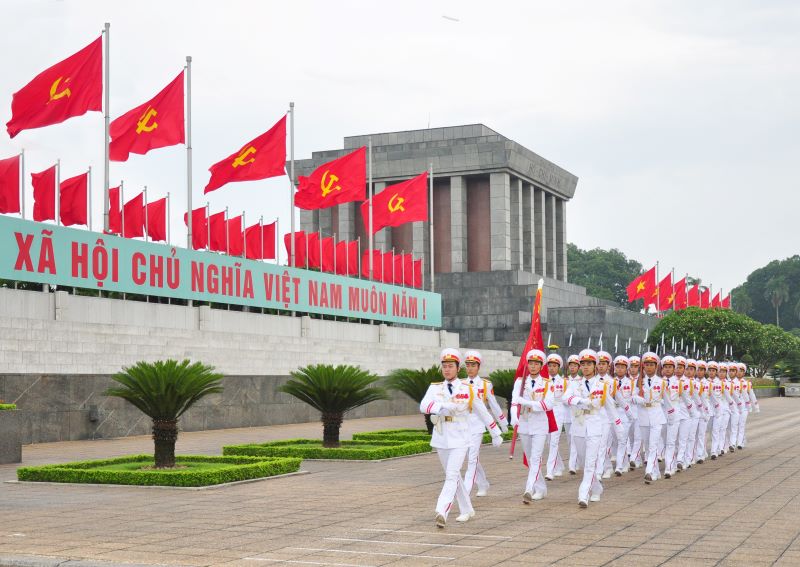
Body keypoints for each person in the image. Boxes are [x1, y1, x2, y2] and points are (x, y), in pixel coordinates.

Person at [420, 348, 503, 528]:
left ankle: (442, 510)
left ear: (458, 368)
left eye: (451, 366)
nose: (447, 369)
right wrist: (443, 406)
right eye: (444, 366)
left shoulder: (469, 389)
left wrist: (495, 432)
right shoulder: (435, 388)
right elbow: (424, 405)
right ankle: (467, 509)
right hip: (441, 436)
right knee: (454, 475)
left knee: (451, 475)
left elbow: (483, 412)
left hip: (460, 437)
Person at [564, 349, 618, 507]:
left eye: (589, 364)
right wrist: (581, 401)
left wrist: (619, 428)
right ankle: (597, 488)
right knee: (582, 461)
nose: (586, 367)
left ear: (595, 366)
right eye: (583, 364)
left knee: (590, 463)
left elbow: (611, 407)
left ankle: (583, 494)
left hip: (595, 427)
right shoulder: (575, 384)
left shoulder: (603, 385)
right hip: (579, 426)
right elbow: (566, 398)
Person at [461, 349, 508, 497]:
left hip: (479, 424)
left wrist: (503, 424)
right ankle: (483, 483)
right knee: (471, 458)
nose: (470, 368)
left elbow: (493, 405)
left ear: (478, 367)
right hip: (463, 425)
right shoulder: (460, 384)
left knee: (472, 458)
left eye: (473, 365)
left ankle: (466, 491)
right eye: (468, 365)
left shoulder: (485, 385)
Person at [511, 349, 555, 503]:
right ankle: (541, 488)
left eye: (537, 363)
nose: (533, 366)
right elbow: (514, 401)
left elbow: (548, 404)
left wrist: (528, 403)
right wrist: (513, 417)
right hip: (524, 423)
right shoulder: (520, 382)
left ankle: (529, 489)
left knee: (536, 458)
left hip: (540, 424)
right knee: (530, 459)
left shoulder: (548, 383)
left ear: (541, 365)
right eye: (531, 363)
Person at [635, 352, 667, 484]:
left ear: (656, 366)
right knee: (647, 445)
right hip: (643, 415)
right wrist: (637, 399)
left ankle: (648, 471)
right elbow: (632, 396)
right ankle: (656, 472)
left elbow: (668, 400)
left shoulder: (661, 382)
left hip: (656, 414)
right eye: (646, 365)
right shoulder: (639, 381)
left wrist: (672, 415)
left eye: (651, 365)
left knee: (653, 444)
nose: (648, 367)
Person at [613, 355, 637, 475]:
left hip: (626, 413)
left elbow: (633, 397)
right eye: (618, 367)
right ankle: (625, 462)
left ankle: (618, 466)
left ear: (626, 369)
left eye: (623, 367)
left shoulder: (631, 383)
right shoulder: (610, 382)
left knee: (623, 440)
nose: (620, 369)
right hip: (614, 413)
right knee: (616, 441)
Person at [545, 353, 566, 480]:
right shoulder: (543, 381)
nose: (552, 368)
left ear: (559, 367)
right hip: (546, 412)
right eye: (550, 366)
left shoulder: (564, 382)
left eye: (554, 366)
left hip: (558, 411)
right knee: (549, 441)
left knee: (554, 441)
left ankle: (549, 470)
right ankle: (559, 465)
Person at [661, 355, 681, 479]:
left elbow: (688, 399)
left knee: (671, 441)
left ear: (674, 369)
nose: (668, 369)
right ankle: (671, 463)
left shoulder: (679, 383)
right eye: (666, 367)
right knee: (664, 440)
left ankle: (669, 467)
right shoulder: (658, 382)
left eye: (670, 367)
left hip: (675, 413)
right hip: (662, 414)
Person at [565, 354, 583, 474]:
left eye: (574, 365)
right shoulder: (564, 381)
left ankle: (573, 464)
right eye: (570, 365)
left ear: (579, 367)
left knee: (576, 439)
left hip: (578, 413)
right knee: (570, 440)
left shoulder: (582, 381)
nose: (572, 368)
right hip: (566, 413)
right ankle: (574, 463)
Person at [710, 361, 730, 459]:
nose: (721, 373)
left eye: (723, 371)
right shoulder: (705, 382)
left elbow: (729, 398)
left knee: (718, 430)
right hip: (708, 409)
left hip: (720, 409)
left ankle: (716, 450)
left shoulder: (723, 384)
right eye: (709, 370)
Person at [627, 356, 643, 469]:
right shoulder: (625, 381)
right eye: (631, 366)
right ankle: (637, 460)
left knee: (638, 437)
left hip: (639, 412)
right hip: (627, 413)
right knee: (631, 438)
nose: (633, 369)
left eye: (636, 366)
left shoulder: (642, 380)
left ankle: (633, 457)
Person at [695, 360, 712, 464]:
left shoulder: (709, 384)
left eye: (702, 370)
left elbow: (711, 398)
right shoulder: (693, 383)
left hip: (704, 410)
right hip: (694, 410)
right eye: (698, 370)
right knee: (693, 434)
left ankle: (700, 454)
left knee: (701, 433)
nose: (700, 372)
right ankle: (696, 453)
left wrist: (707, 411)